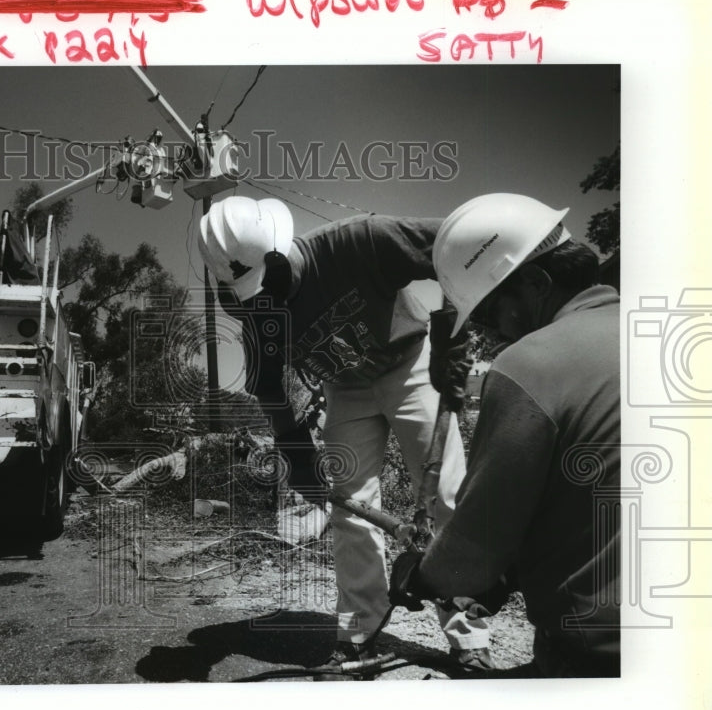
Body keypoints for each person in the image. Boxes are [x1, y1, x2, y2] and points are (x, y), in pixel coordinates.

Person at [198, 195, 493, 672]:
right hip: (345, 388)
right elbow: (271, 390)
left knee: (446, 495)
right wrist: (297, 458)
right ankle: (360, 631)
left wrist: (452, 332)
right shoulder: (251, 306)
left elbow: (457, 245)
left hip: (409, 363)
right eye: (250, 293)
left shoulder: (360, 241)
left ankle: (468, 634)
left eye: (267, 281)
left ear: (280, 249)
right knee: (351, 509)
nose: (263, 299)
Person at [390, 193, 620, 677]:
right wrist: (510, 574)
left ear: (536, 283)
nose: (492, 333)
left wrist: (419, 575)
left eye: (493, 313)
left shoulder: (530, 364)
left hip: (601, 658)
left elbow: (469, 558)